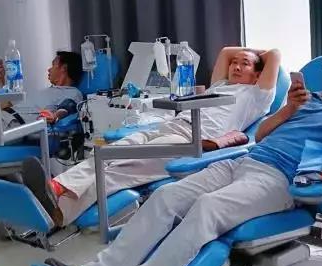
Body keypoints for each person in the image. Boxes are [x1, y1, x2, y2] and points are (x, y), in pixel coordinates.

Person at [46, 44, 322, 266]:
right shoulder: (305, 100)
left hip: (278, 178)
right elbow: (261, 135)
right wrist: (288, 109)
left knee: (207, 208)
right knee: (165, 197)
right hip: (243, 161)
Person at [20, 47, 282, 228]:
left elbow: (275, 54)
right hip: (170, 125)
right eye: (235, 63)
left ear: (258, 74)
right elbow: (225, 51)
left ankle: (58, 207)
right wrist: (243, 56)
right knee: (106, 154)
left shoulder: (257, 96)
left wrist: (255, 54)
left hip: (194, 140)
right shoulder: (220, 85)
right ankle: (56, 190)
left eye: (245, 63)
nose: (236, 65)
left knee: (122, 166)